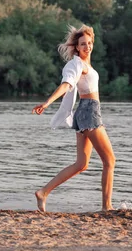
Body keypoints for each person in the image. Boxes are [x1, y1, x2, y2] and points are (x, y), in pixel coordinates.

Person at [32, 24, 116, 212]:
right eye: (83, 44)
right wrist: (47, 102)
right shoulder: (77, 64)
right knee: (109, 161)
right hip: (89, 111)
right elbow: (66, 84)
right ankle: (107, 207)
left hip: (85, 112)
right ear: (77, 47)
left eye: (89, 43)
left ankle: (43, 192)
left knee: (81, 164)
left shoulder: (85, 65)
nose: (87, 47)